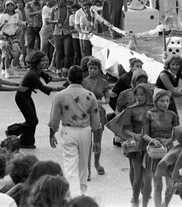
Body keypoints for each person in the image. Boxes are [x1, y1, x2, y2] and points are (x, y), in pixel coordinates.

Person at [48, 65, 101, 197]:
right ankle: (81, 193)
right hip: (85, 132)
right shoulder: (90, 95)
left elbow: (54, 119)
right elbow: (96, 122)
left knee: (70, 165)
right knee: (83, 164)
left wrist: (51, 134)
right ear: (82, 79)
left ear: (68, 78)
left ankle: (74, 195)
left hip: (68, 131)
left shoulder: (60, 95)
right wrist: (97, 141)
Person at [106, 83, 154, 207]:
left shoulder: (154, 108)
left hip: (151, 145)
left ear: (148, 95)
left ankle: (145, 202)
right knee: (137, 175)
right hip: (137, 145)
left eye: (142, 94)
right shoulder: (131, 109)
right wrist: (134, 135)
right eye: (137, 94)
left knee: (148, 176)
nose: (139, 97)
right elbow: (124, 129)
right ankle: (135, 199)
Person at [6, 51, 64, 149]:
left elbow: (49, 78)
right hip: (21, 98)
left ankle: (27, 142)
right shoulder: (32, 73)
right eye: (43, 61)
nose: (46, 63)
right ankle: (12, 131)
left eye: (46, 60)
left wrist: (65, 79)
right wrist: (59, 89)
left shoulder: (38, 70)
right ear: (37, 61)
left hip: (27, 96)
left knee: (32, 120)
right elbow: (43, 88)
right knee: (32, 121)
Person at [142, 90, 179, 207]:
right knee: (158, 185)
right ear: (156, 101)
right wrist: (153, 140)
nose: (165, 103)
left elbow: (178, 132)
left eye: (167, 101)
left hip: (169, 151)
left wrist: (170, 140)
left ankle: (165, 204)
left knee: (171, 184)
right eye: (162, 101)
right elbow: (144, 135)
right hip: (155, 151)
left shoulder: (172, 115)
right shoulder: (149, 114)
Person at [81, 57, 110, 177]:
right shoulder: (83, 81)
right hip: (85, 112)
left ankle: (97, 163)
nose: (92, 70)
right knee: (87, 141)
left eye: (95, 68)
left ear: (99, 69)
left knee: (97, 141)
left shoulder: (103, 82)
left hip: (99, 111)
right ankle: (87, 168)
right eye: (90, 68)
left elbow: (107, 99)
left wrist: (101, 102)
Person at [154, 125, 182, 207]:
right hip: (176, 177)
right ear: (180, 139)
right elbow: (163, 163)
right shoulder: (176, 151)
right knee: (172, 190)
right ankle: (165, 204)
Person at [0, 0, 22, 79]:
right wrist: (4, 23)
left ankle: (13, 69)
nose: (10, 7)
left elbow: (17, 25)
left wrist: (19, 30)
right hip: (5, 38)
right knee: (7, 55)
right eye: (8, 5)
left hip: (14, 37)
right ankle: (6, 70)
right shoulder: (2, 16)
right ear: (6, 7)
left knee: (16, 54)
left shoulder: (16, 15)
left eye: (11, 5)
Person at [51, 0, 72, 77]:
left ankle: (65, 69)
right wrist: (56, 21)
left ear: (64, 0)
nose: (61, 1)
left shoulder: (68, 9)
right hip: (57, 32)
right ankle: (58, 69)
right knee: (59, 52)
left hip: (66, 31)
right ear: (57, 0)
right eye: (59, 0)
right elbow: (48, 21)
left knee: (67, 52)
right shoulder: (53, 9)